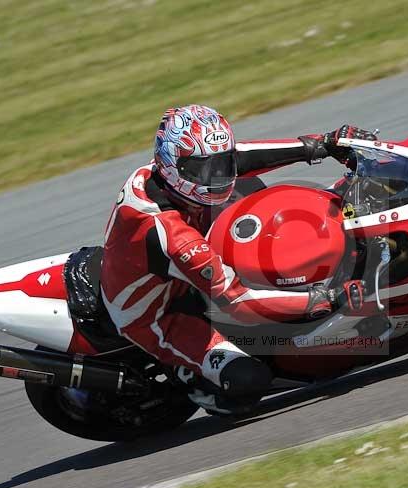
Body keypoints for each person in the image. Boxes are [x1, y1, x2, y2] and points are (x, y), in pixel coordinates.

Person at [100, 104, 375, 414]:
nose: (215, 178)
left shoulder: (166, 172)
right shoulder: (168, 232)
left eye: (220, 165)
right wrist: (324, 299)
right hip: (161, 314)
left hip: (183, 256)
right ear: (172, 166)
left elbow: (244, 155)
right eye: (203, 170)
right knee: (248, 381)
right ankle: (192, 379)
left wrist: (322, 143)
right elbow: (237, 301)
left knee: (254, 195)